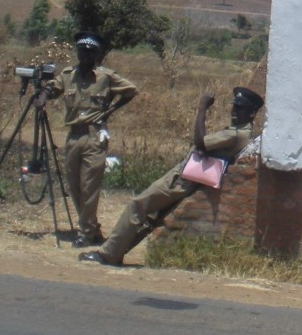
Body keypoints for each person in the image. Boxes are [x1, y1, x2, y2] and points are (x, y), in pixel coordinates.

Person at [78, 87, 264, 266]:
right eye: (234, 106)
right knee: (149, 218)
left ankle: (108, 254)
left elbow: (200, 141)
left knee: (137, 205)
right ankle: (114, 253)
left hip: (182, 179)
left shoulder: (236, 134)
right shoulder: (241, 132)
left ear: (252, 113)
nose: (235, 111)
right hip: (188, 178)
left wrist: (202, 108)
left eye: (240, 108)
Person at [35, 31, 138, 248]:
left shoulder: (106, 77)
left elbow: (131, 90)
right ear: (78, 52)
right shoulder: (67, 75)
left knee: (90, 186)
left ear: (97, 55)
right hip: (73, 136)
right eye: (82, 51)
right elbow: (52, 88)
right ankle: (92, 229)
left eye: (90, 52)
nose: (85, 55)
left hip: (94, 136)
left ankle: (85, 233)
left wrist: (110, 110)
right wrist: (43, 96)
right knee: (74, 186)